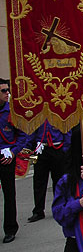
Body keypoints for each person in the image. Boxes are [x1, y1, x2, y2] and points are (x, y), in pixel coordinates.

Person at [0, 78, 28, 243]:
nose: (7, 93)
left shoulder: (12, 112)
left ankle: (10, 228)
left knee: (9, 194)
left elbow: (23, 135)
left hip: (7, 156)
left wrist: (13, 151)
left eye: (7, 90)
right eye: (3, 91)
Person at [28, 120, 72, 222]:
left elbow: (67, 129)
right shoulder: (38, 114)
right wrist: (30, 146)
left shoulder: (58, 112)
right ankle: (38, 211)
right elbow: (32, 130)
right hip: (41, 148)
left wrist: (65, 148)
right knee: (39, 181)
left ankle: (59, 207)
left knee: (58, 181)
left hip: (57, 148)